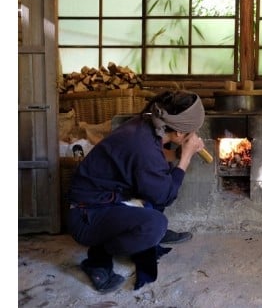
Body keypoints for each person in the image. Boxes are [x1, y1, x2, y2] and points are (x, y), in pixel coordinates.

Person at [67, 90, 207, 293]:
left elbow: (154, 161)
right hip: (86, 215)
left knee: (160, 180)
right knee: (156, 224)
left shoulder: (146, 124)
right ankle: (101, 253)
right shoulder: (143, 146)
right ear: (178, 133)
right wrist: (185, 157)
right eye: (192, 131)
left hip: (110, 197)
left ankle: (133, 232)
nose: (194, 135)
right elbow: (166, 196)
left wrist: (178, 153)